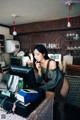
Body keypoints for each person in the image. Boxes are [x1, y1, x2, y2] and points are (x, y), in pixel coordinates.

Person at [32, 44, 69, 120]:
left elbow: (54, 81)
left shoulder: (51, 63)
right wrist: (38, 69)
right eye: (34, 54)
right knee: (51, 106)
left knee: (60, 108)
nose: (35, 57)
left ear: (44, 54)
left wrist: (40, 89)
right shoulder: (37, 64)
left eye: (38, 54)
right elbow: (38, 80)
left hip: (61, 83)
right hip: (51, 84)